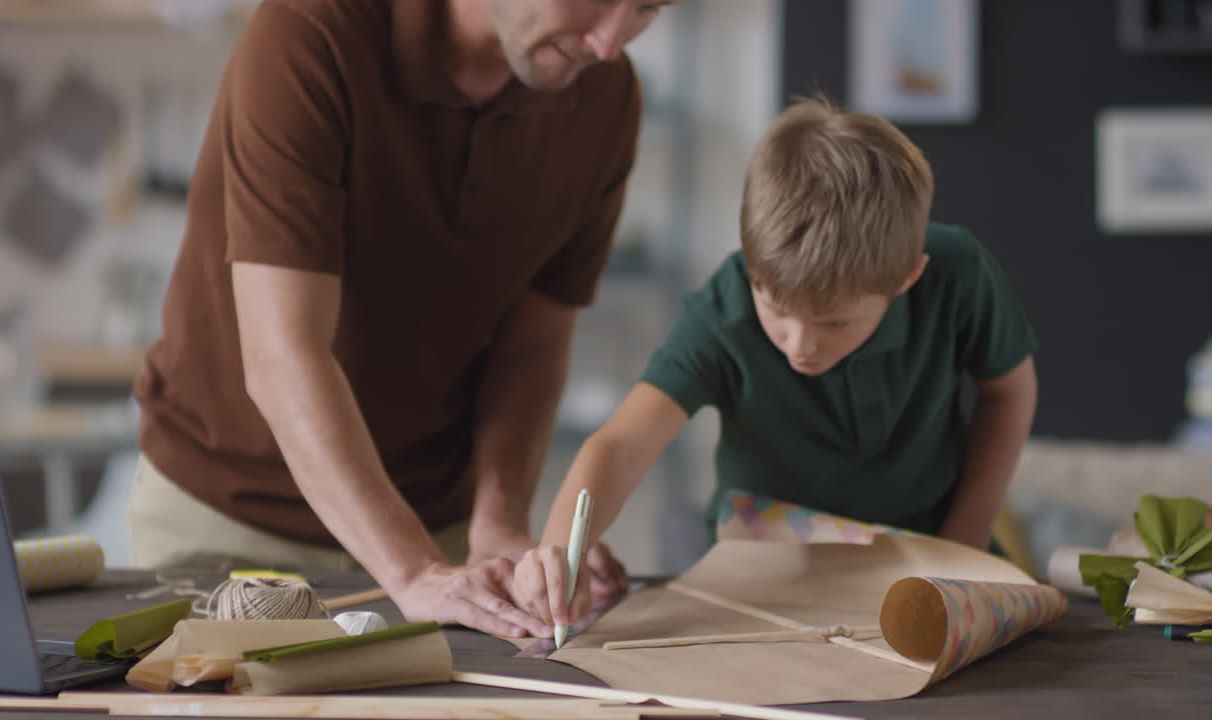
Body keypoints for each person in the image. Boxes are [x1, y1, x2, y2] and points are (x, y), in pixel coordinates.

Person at [128, 0, 675, 638]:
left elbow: (533, 347)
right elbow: (285, 356)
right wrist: (410, 569)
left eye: (646, 8)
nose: (611, 42)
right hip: (228, 526)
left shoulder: (605, 96)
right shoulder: (312, 31)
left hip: (435, 530)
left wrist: (497, 524)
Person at [511, 96, 1039, 630]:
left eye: (834, 323)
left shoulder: (959, 272)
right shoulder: (725, 305)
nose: (800, 345)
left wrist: (966, 534)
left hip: (934, 551)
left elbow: (1008, 393)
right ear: (752, 264)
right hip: (763, 571)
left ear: (906, 280)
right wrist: (557, 550)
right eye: (777, 310)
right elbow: (623, 445)